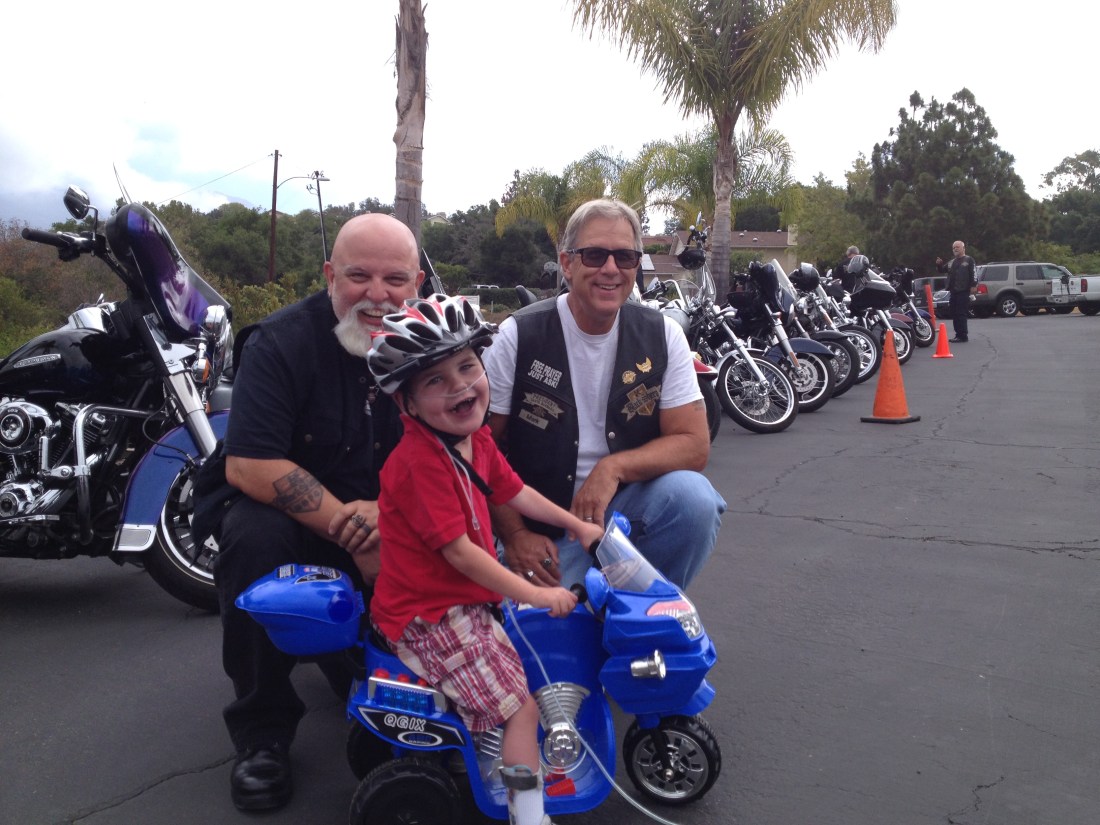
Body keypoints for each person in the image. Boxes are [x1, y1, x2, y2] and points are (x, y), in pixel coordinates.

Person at [205, 213, 423, 812]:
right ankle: (262, 733)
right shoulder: (280, 343)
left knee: (365, 681)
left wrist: (392, 518)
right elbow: (250, 464)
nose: (377, 295)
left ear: (419, 283)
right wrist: (357, 535)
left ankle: (380, 676)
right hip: (303, 530)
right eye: (358, 276)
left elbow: (466, 444)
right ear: (330, 276)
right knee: (252, 537)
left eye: (395, 278)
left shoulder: (437, 347)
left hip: (396, 520)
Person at [366, 294, 604, 825]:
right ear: (406, 404)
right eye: (435, 381)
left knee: (525, 652)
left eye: (468, 366)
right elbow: (464, 557)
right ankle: (528, 813)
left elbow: (515, 493)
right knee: (519, 707)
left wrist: (576, 524)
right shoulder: (418, 463)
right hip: (434, 616)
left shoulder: (473, 440)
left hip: (458, 598)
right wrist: (538, 593)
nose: (460, 386)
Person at [480, 198, 725, 592]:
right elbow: (478, 449)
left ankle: (648, 610)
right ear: (567, 263)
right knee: (544, 642)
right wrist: (514, 534)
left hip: (622, 521)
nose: (610, 269)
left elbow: (694, 445)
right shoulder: (519, 335)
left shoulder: (662, 334)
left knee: (694, 500)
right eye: (594, 255)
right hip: (543, 531)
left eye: (625, 257)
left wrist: (612, 469)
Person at [936, 240, 977, 342]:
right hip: (953, 291)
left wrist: (973, 285)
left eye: (957, 247)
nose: (955, 249)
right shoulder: (951, 262)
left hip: (964, 291)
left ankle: (963, 335)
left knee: (961, 312)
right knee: (954, 312)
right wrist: (939, 265)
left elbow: (974, 273)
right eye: (954, 248)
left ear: (963, 248)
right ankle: (957, 334)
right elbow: (942, 270)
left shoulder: (969, 260)